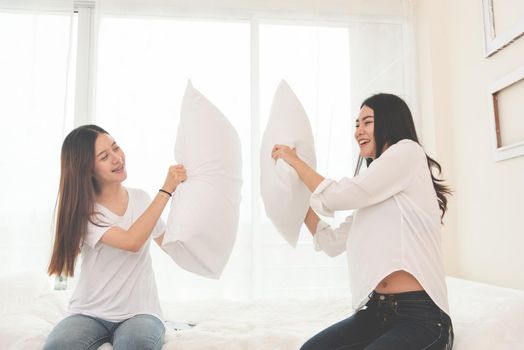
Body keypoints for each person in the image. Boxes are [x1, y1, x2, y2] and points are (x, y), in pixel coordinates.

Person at [272, 93, 454, 349]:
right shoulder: (375, 192)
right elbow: (332, 242)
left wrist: (295, 161)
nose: (358, 131)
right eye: (356, 124)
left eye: (367, 122)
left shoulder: (408, 152)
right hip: (376, 313)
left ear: (390, 121)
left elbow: (339, 195)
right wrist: (298, 202)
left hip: (421, 317)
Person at [44, 124, 186, 350]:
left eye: (116, 148)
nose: (117, 158)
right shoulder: (85, 212)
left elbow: (171, 243)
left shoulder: (141, 199)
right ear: (88, 169)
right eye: (104, 156)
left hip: (140, 312)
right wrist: (167, 189)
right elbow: (131, 242)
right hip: (89, 313)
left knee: (136, 345)